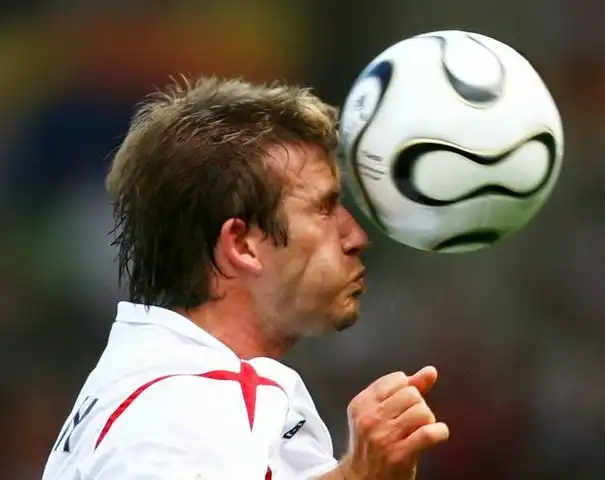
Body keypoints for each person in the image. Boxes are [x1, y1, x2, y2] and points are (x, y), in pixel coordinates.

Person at [42, 76, 449, 479]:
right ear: (242, 244)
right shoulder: (179, 408)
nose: (356, 237)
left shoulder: (167, 386)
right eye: (324, 208)